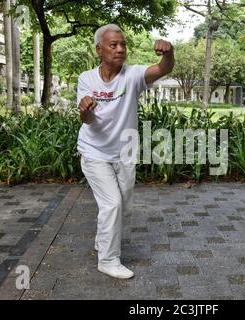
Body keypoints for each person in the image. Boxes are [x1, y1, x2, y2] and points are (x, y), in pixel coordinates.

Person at [77, 24, 174, 279]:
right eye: (113, 45)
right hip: (94, 151)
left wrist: (167, 53)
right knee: (112, 203)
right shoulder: (87, 78)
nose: (120, 49)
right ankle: (108, 260)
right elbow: (86, 121)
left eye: (123, 44)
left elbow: (163, 69)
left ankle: (103, 240)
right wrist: (85, 108)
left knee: (123, 205)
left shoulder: (133, 75)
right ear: (99, 49)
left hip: (125, 152)